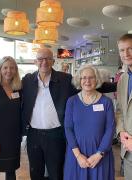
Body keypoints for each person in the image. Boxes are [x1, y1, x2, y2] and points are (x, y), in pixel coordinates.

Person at [22, 48, 117, 180]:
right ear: (35, 62)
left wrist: (118, 85)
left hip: (55, 135)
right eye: (40, 59)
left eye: (48, 59)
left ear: (53, 61)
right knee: (35, 172)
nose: (44, 62)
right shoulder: (27, 80)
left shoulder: (65, 79)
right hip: (34, 134)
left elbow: (87, 84)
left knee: (56, 172)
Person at [64, 64, 115, 180]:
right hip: (77, 154)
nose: (87, 81)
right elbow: (68, 128)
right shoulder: (71, 101)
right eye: (84, 78)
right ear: (79, 80)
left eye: (91, 77)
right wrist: (78, 155)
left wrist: (99, 154)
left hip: (100, 155)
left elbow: (110, 129)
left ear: (97, 79)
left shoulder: (106, 102)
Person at [116, 33, 132, 180]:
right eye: (122, 50)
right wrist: (121, 132)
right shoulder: (123, 79)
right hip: (127, 152)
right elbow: (120, 110)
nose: (126, 54)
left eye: (130, 48)